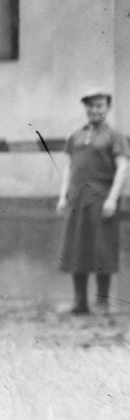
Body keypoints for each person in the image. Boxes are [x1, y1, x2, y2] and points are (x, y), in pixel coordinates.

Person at [56, 87, 130, 314]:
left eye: (99, 106)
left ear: (107, 109)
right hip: (78, 200)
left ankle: (102, 302)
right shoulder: (76, 135)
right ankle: (80, 303)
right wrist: (63, 196)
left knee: (101, 248)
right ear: (85, 108)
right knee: (77, 248)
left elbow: (123, 167)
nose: (94, 110)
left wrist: (112, 198)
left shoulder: (114, 136)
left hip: (101, 200)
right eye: (90, 105)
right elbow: (70, 167)